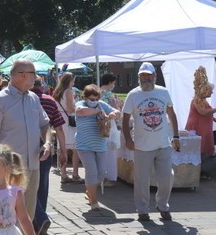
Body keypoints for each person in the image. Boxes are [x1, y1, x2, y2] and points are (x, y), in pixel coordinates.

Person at [0, 60, 51, 220]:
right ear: (22, 75)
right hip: (8, 168)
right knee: (6, 214)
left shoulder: (34, 98)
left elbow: (45, 124)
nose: (36, 77)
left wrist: (47, 142)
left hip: (33, 166)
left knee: (28, 214)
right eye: (34, 73)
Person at [122, 62, 180, 222]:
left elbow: (171, 113)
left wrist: (176, 136)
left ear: (154, 76)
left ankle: (163, 205)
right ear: (139, 77)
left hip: (163, 143)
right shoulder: (133, 95)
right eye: (143, 75)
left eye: (149, 75)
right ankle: (142, 210)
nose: (146, 78)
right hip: (142, 145)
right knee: (141, 179)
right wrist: (128, 138)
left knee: (167, 177)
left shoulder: (163, 92)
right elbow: (125, 117)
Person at [31, 78, 66, 235]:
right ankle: (40, 220)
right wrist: (63, 151)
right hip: (46, 146)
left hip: (27, 147)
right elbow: (58, 127)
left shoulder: (25, 100)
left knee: (25, 184)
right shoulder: (50, 101)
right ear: (42, 86)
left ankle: (38, 219)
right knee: (42, 185)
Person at [75, 85, 120, 210]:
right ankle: (94, 201)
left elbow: (117, 112)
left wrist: (112, 114)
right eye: (90, 99)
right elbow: (80, 111)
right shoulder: (80, 103)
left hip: (100, 145)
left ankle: (89, 191)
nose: (93, 101)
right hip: (84, 145)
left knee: (100, 174)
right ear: (85, 97)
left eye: (95, 99)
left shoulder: (101, 104)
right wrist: (98, 111)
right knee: (91, 172)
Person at [186, 66, 216, 159]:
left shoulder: (203, 100)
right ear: (206, 91)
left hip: (203, 127)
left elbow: (207, 113)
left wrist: (215, 120)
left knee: (205, 145)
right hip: (197, 127)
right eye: (211, 91)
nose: (212, 93)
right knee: (198, 147)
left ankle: (205, 162)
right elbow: (203, 112)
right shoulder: (196, 100)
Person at [53, 72, 81, 183]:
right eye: (73, 80)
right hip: (69, 121)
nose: (74, 82)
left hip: (61, 120)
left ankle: (63, 174)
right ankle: (75, 174)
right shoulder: (68, 91)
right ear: (70, 80)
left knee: (62, 148)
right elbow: (70, 109)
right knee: (75, 149)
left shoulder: (58, 91)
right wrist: (79, 108)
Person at [99, 73, 123, 187]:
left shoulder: (97, 92)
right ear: (110, 82)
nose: (114, 85)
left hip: (98, 123)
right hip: (109, 124)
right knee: (111, 150)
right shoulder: (109, 95)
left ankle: (100, 176)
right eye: (113, 82)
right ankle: (108, 176)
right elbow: (116, 111)